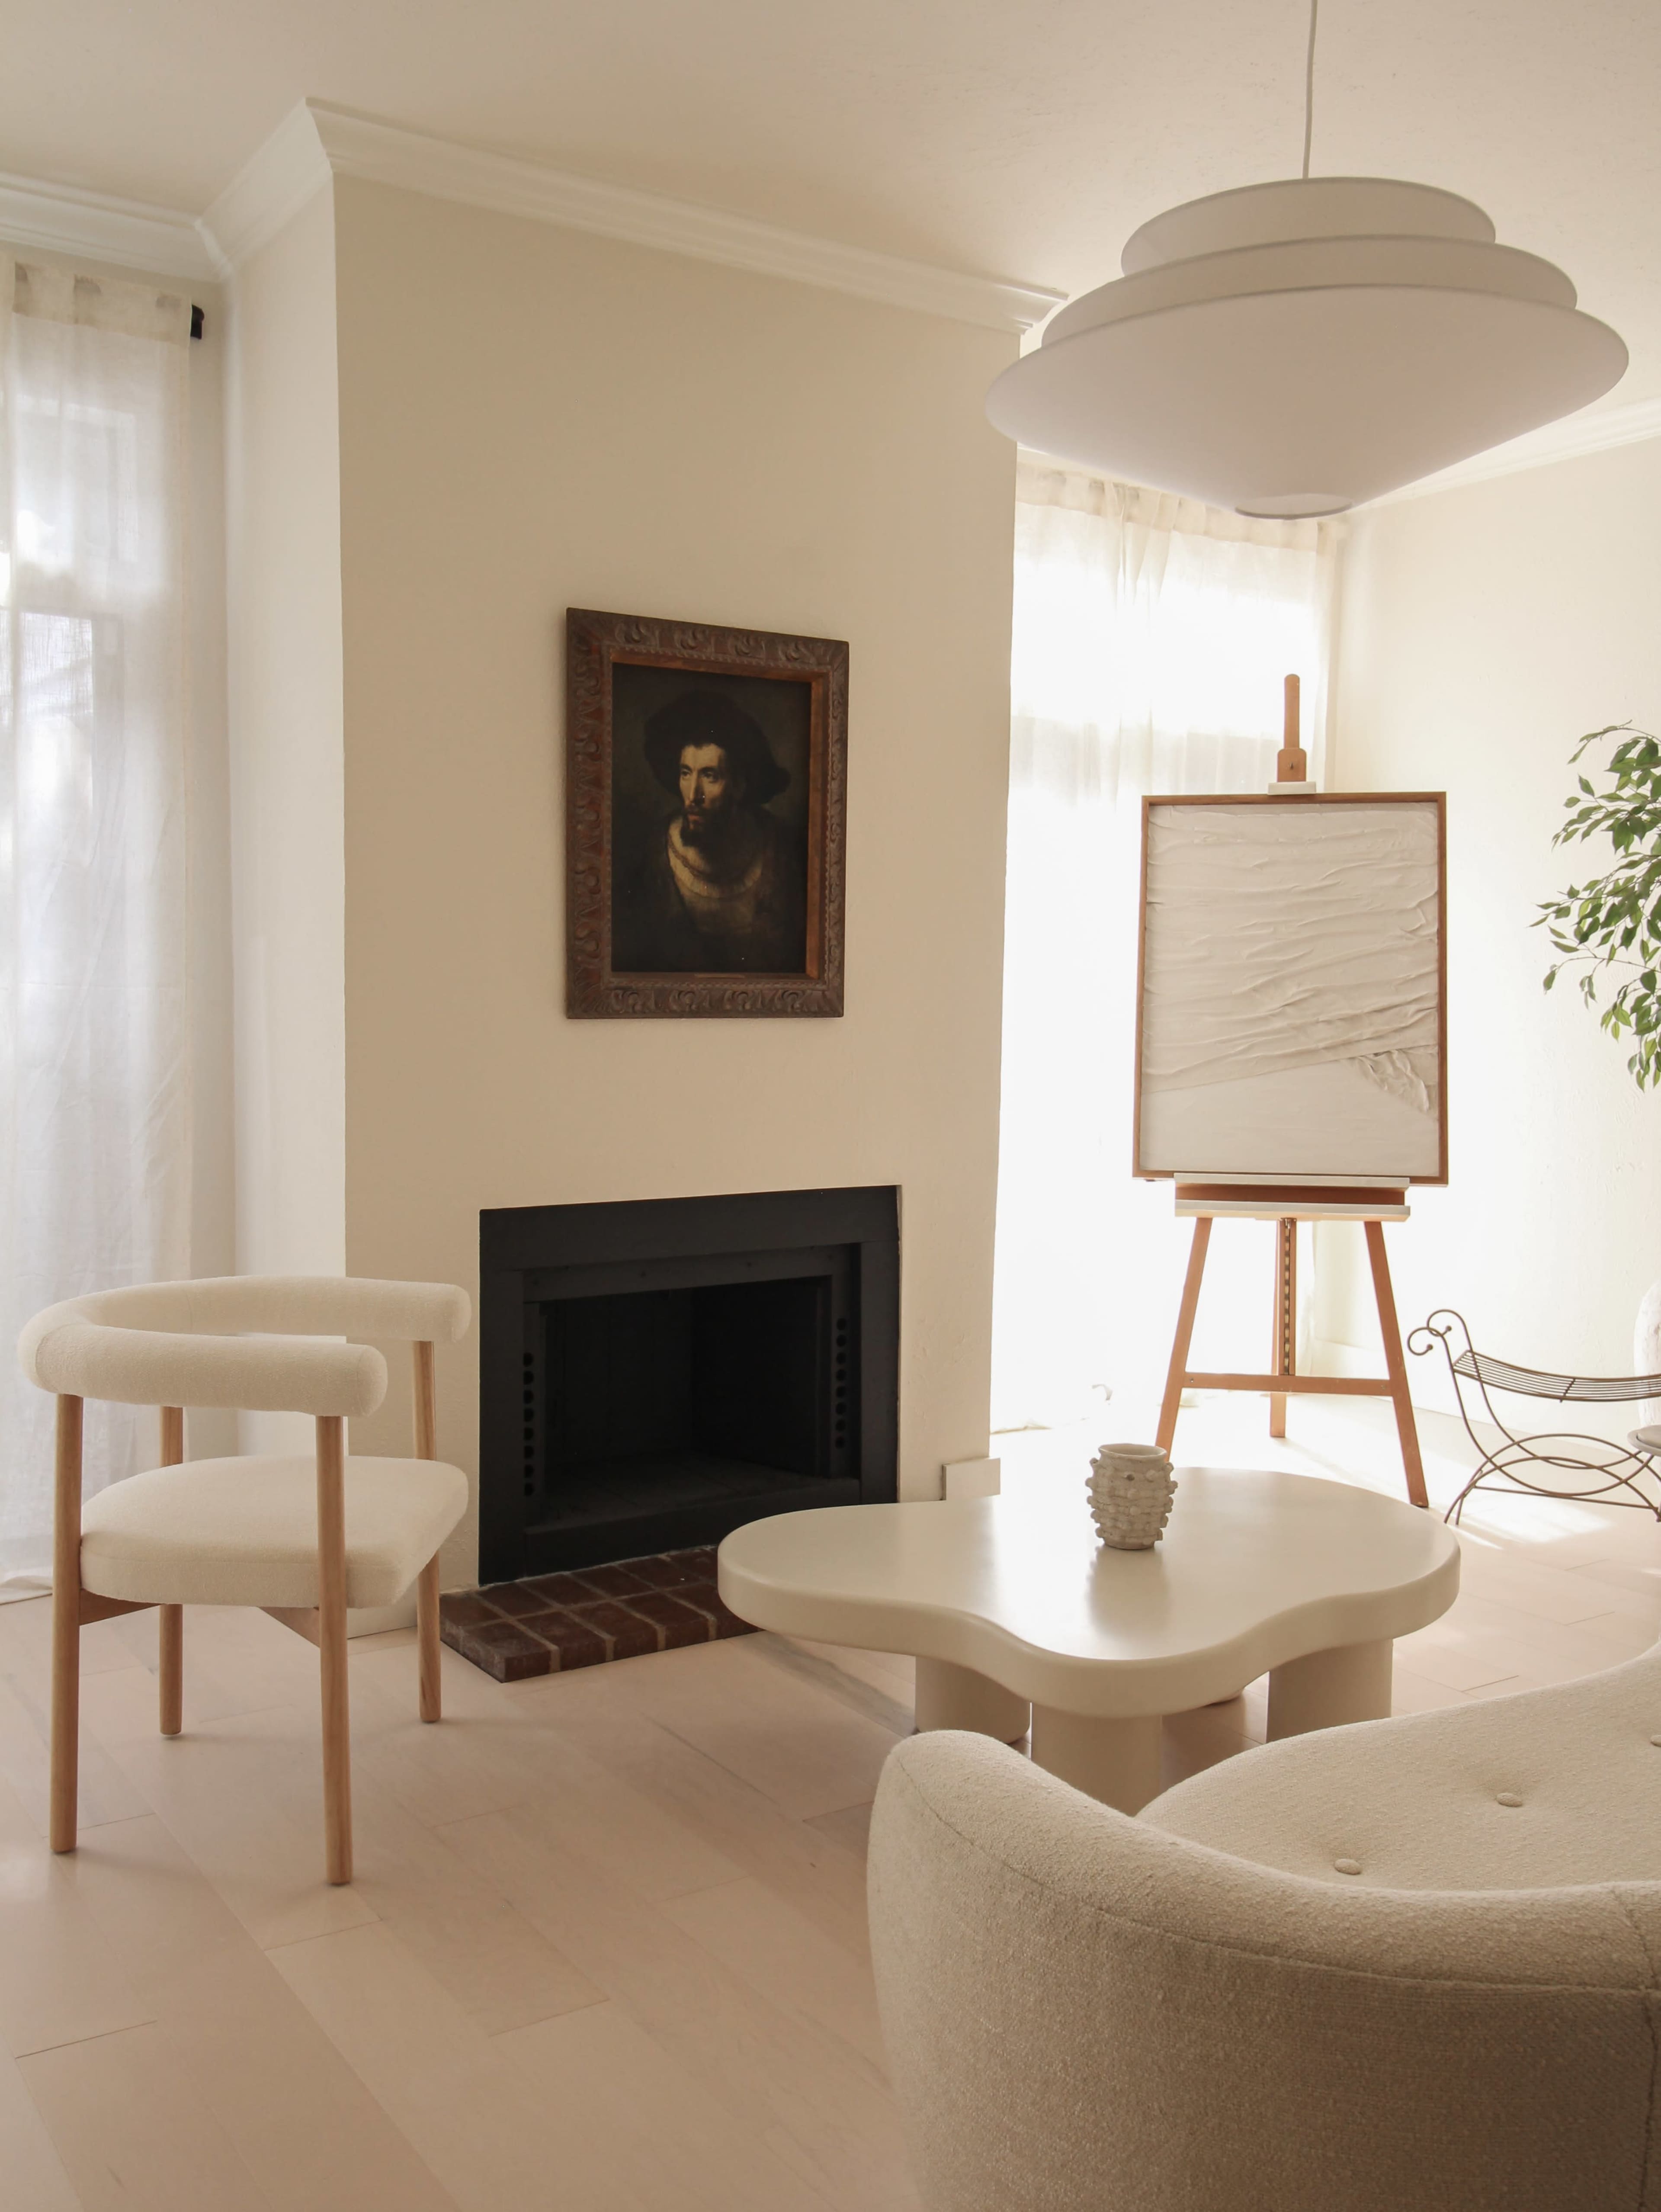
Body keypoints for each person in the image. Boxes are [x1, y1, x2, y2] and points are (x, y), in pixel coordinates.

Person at [612, 689, 808, 974]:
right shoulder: (649, 855)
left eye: (710, 776)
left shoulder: (782, 850)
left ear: (739, 785)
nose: (694, 795)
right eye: (685, 773)